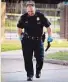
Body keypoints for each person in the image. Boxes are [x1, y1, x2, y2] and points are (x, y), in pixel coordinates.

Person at [17, 1, 53, 81]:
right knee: (27, 58)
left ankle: (38, 70)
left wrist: (50, 36)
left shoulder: (40, 16)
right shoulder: (23, 17)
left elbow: (48, 27)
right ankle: (30, 75)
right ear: (27, 10)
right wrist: (20, 37)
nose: (30, 13)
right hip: (27, 41)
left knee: (40, 58)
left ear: (34, 8)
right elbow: (19, 28)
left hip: (38, 40)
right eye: (29, 11)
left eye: (32, 11)